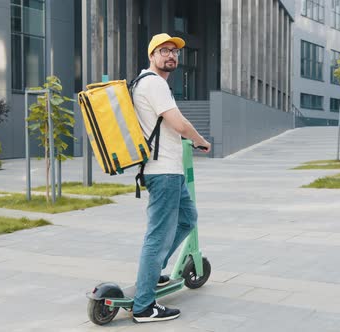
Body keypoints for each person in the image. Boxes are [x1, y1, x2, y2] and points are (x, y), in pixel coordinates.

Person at [130, 33, 211, 323]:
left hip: (169, 170)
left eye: (174, 51)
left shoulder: (150, 83)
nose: (171, 55)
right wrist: (201, 140)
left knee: (188, 218)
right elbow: (178, 123)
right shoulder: (153, 83)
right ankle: (144, 306)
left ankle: (153, 273)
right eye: (163, 51)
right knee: (157, 236)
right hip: (162, 172)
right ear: (151, 56)